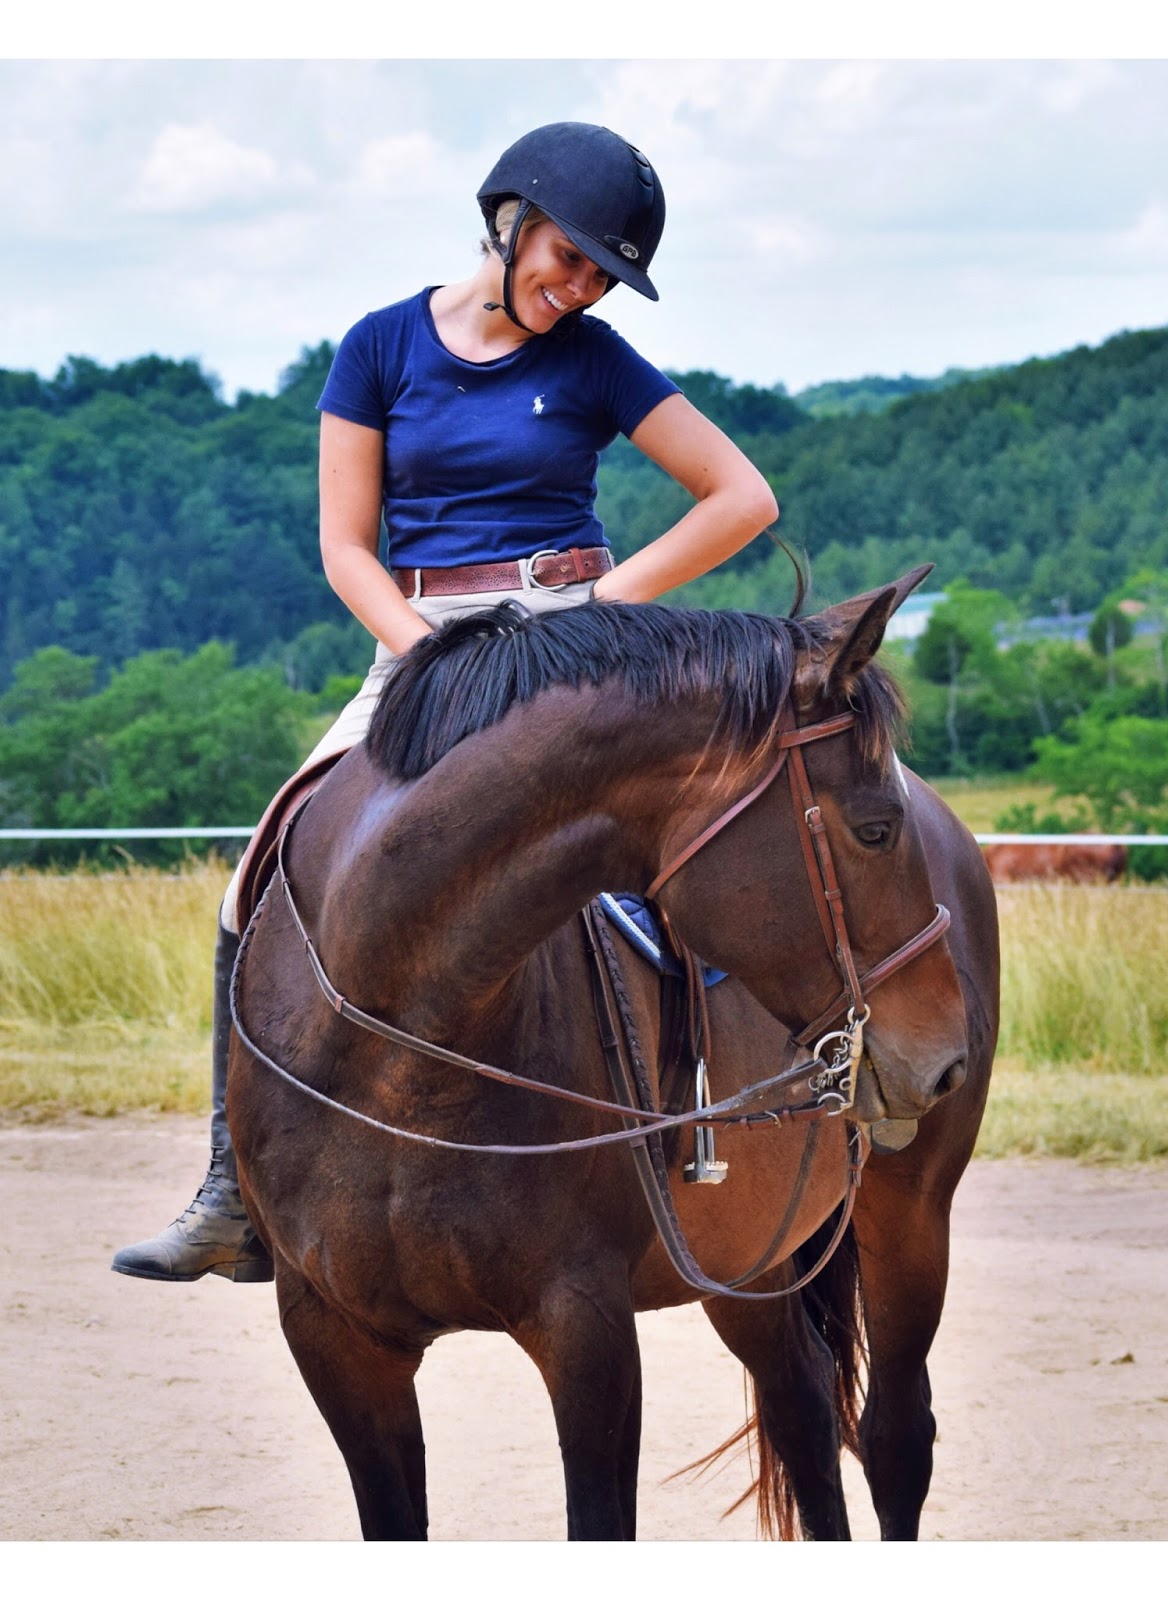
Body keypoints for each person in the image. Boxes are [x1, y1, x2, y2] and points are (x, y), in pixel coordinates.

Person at [112, 121, 779, 1284]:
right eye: (568, 259)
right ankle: (231, 1185)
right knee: (256, 875)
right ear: (509, 219)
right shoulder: (376, 348)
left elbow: (742, 496)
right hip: (414, 645)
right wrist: (422, 649)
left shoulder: (595, 360)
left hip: (567, 643)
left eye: (598, 277)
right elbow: (343, 544)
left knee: (660, 864)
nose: (576, 291)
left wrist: (601, 609)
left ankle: (691, 1128)